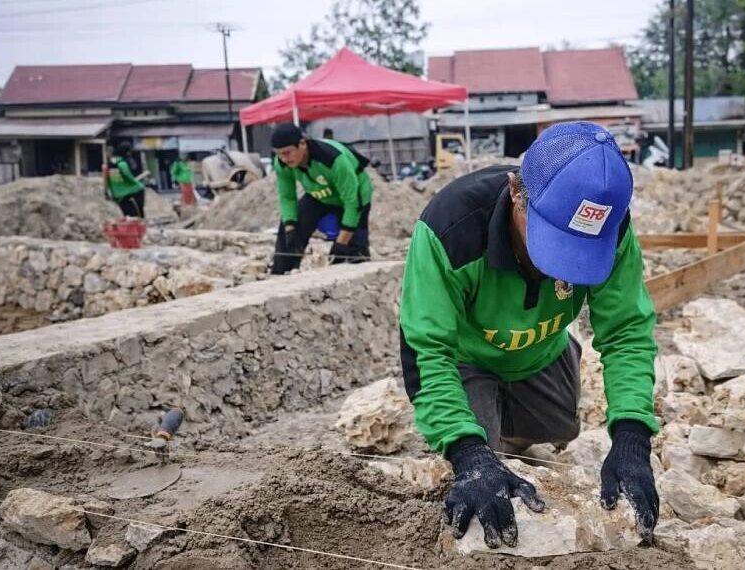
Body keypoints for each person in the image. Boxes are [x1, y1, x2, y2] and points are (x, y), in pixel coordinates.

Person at [399, 122, 659, 548]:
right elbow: (425, 348)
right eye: (555, 241)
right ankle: (482, 426)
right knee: (477, 479)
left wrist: (632, 434)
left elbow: (628, 328)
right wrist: (468, 451)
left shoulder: (614, 231)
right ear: (517, 192)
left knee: (559, 428)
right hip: (469, 358)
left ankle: (518, 413)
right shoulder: (452, 229)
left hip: (540, 348)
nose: (563, 267)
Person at [269, 123, 373, 274]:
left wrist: (341, 242)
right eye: (279, 154)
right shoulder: (282, 164)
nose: (284, 159)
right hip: (319, 195)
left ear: (302, 144)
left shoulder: (333, 160)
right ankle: (281, 274)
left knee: (353, 253)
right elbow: (287, 197)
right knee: (290, 234)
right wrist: (290, 228)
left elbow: (352, 202)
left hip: (354, 197)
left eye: (287, 152)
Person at [104, 142, 145, 218]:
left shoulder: (112, 162)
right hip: (125, 192)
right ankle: (141, 214)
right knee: (140, 188)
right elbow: (128, 176)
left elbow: (111, 179)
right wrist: (136, 182)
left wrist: (107, 192)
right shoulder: (122, 163)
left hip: (116, 193)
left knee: (128, 213)